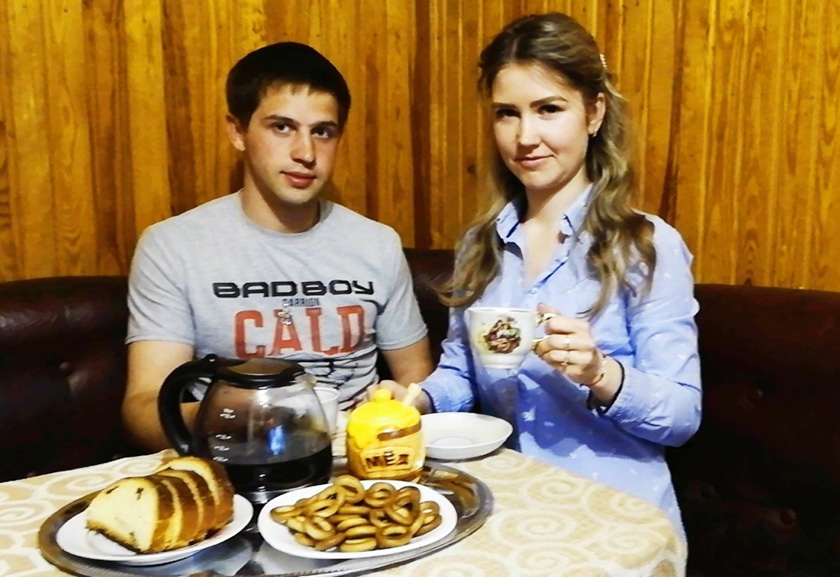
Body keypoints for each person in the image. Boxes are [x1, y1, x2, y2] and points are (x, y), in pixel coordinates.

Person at [380, 12, 701, 538]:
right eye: (507, 114)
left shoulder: (645, 245)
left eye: (549, 109)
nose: (525, 137)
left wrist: (600, 373)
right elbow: (462, 372)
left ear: (594, 113)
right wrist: (417, 400)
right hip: (510, 507)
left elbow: (683, 415)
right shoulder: (481, 244)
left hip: (617, 517)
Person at [123, 42, 433, 452]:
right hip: (236, 458)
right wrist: (242, 412)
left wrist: (402, 406)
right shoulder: (173, 246)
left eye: (322, 132)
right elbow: (145, 409)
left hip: (357, 458)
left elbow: (418, 382)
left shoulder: (377, 244)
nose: (306, 153)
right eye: (282, 127)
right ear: (237, 131)